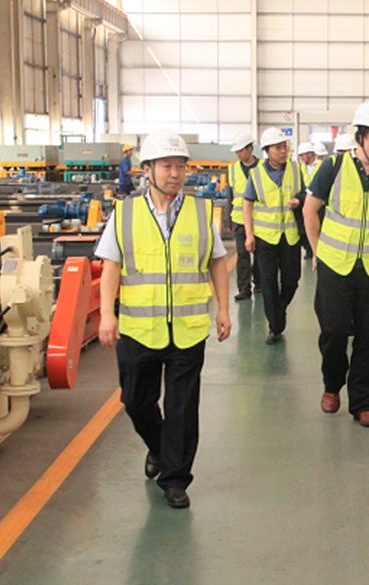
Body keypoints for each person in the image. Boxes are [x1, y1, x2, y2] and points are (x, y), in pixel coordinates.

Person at [97, 129, 231, 508]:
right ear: (148, 170)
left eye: (180, 166)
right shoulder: (125, 213)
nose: (175, 174)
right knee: (135, 401)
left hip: (188, 330)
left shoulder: (201, 212)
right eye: (167, 166)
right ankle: (158, 446)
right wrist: (107, 314)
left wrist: (223, 308)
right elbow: (111, 266)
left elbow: (218, 262)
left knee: (182, 410)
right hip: (139, 329)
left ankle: (175, 480)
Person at [304, 101, 369, 427]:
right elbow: (310, 210)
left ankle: (363, 403)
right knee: (333, 330)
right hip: (334, 264)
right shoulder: (333, 167)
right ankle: (332, 385)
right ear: (361, 138)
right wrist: (317, 251)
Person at [243, 128, 305, 345]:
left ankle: (280, 309)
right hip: (265, 238)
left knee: (292, 280)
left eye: (285, 147)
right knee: (268, 284)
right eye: (278, 148)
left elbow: (305, 193)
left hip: (290, 236)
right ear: (267, 150)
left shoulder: (296, 170)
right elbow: (248, 204)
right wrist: (249, 235)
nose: (283, 151)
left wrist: (299, 200)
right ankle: (275, 327)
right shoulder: (256, 174)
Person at [228, 131, 261, 301]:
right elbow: (230, 195)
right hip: (239, 219)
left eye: (241, 150)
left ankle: (260, 284)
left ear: (250, 148)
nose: (238, 154)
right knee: (242, 255)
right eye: (236, 151)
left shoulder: (263, 167)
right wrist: (228, 220)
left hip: (261, 219)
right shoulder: (232, 169)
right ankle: (244, 288)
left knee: (260, 254)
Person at [298, 143, 320, 260]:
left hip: (319, 202)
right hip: (304, 200)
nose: (301, 158)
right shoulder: (300, 168)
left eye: (303, 155)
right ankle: (308, 249)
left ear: (310, 154)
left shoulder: (321, 166)